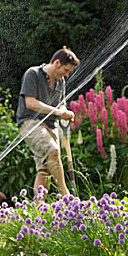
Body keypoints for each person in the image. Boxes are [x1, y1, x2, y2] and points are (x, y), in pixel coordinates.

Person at [16, 46, 80, 196]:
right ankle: (66, 197)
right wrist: (57, 111)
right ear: (57, 63)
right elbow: (30, 102)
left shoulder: (60, 81)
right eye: (66, 70)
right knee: (54, 152)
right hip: (30, 122)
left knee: (44, 169)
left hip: (51, 125)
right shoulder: (33, 74)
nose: (67, 74)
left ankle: (38, 210)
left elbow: (61, 103)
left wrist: (64, 111)